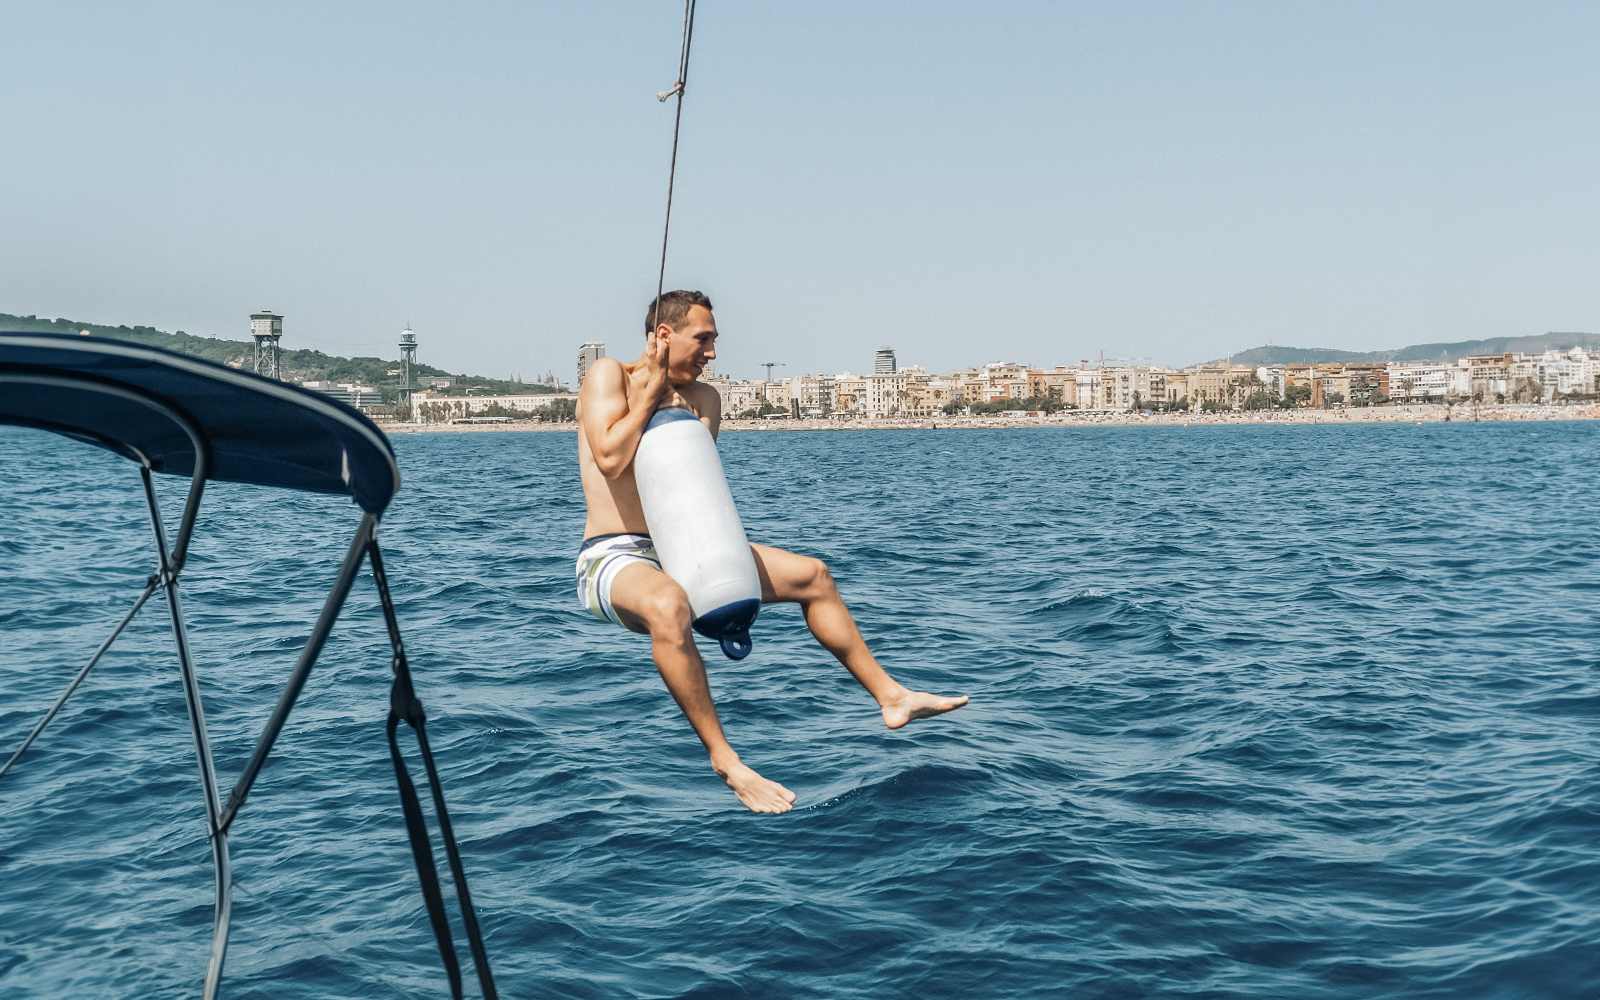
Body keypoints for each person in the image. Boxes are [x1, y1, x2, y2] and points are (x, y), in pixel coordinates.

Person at [575, 290, 968, 814]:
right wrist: (649, 396)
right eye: (704, 338)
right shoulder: (608, 375)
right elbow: (610, 459)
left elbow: (690, 489)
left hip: (681, 543)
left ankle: (891, 698)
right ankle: (726, 761)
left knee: (814, 576)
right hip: (613, 555)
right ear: (664, 336)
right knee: (668, 605)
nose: (713, 352)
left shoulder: (707, 400)